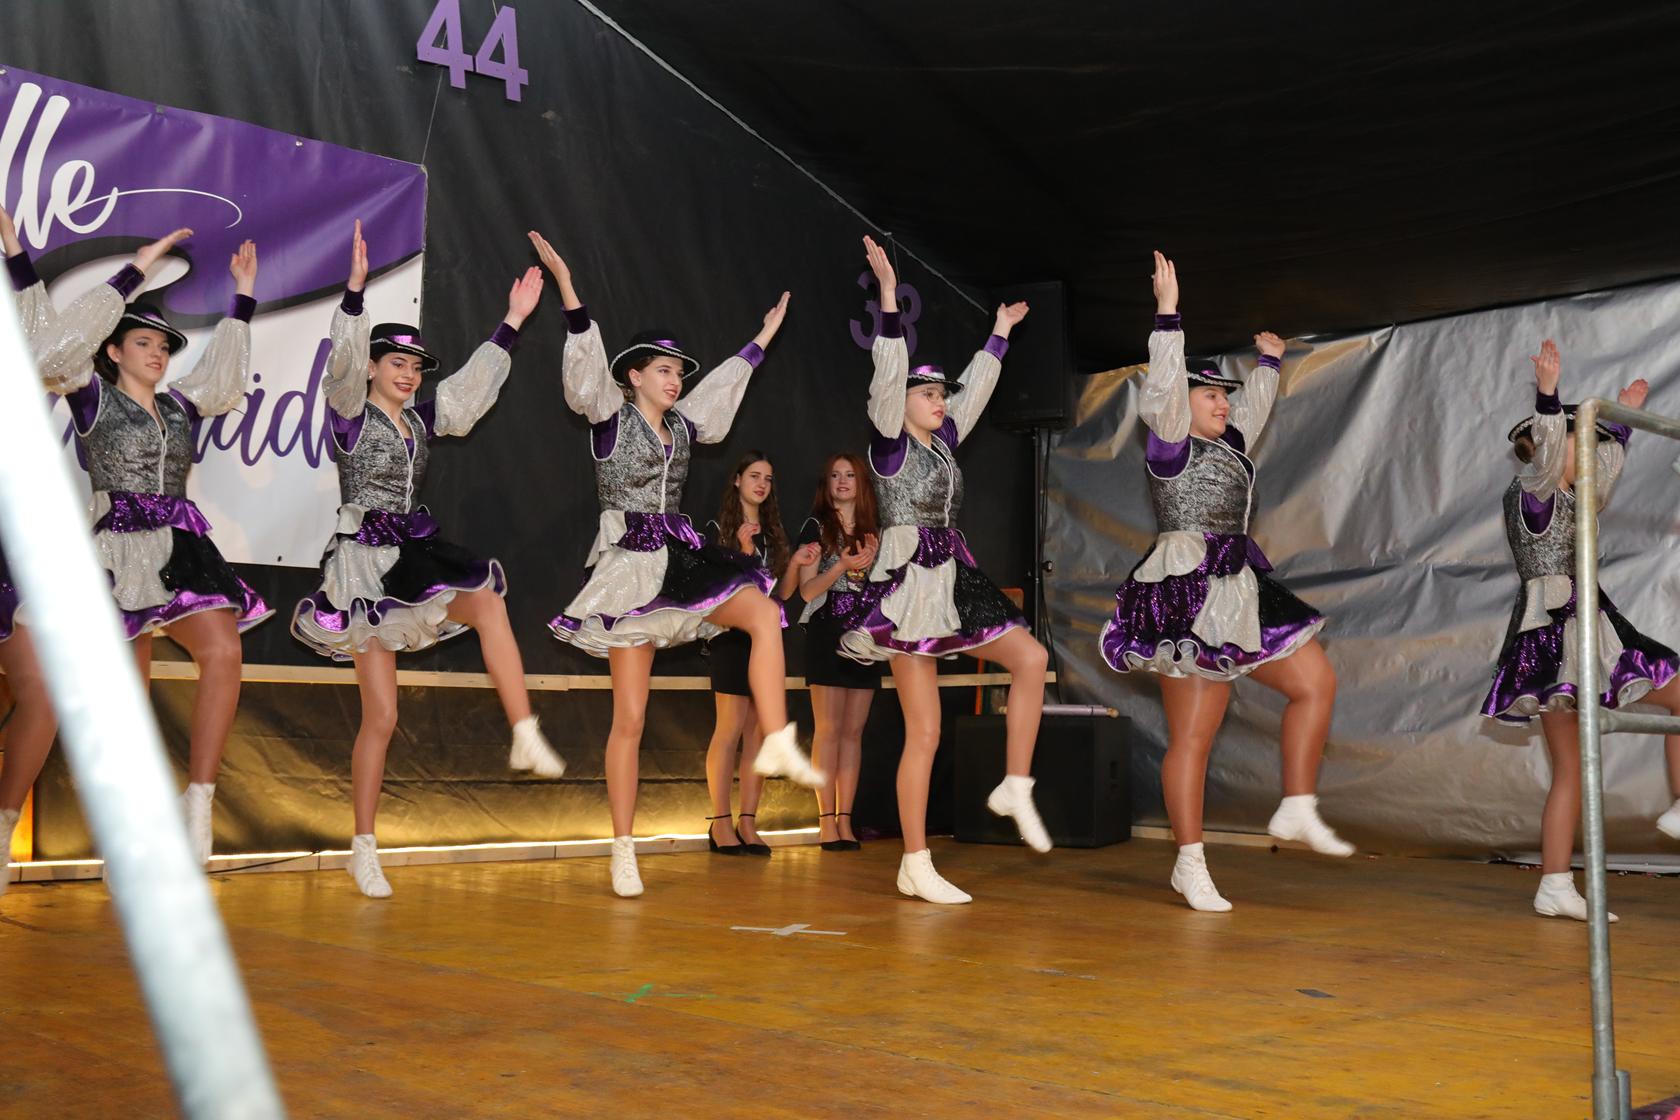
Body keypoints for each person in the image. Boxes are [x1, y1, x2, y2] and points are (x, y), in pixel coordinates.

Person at [532, 229, 822, 897]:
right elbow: (584, 372)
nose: (676, 379)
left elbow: (726, 381)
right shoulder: (610, 419)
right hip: (630, 573)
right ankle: (623, 846)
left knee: (765, 614)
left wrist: (764, 335)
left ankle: (777, 736)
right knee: (630, 719)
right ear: (633, 376)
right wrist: (569, 290)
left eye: (678, 372)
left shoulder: (686, 426)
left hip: (680, 561)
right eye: (663, 370)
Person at [292, 222, 564, 898]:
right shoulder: (350, 414)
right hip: (364, 570)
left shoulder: (420, 421)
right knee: (381, 717)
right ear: (374, 368)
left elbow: (469, 391)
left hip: (412, 557)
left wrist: (512, 322)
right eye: (397, 363)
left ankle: (524, 729)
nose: (409, 374)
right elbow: (341, 364)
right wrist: (354, 296)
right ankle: (362, 847)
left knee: (488, 602)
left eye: (415, 367)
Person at [1098, 251, 1351, 913]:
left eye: (1223, 395)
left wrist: (1268, 364)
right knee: (1195, 736)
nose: (1222, 401)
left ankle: (1297, 802)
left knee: (1315, 682)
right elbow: (1163, 387)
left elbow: (1254, 412)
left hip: (1238, 584)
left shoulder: (1229, 446)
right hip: (1184, 591)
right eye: (1210, 394)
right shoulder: (1169, 443)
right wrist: (1168, 314)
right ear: (1179, 405)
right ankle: (1189, 861)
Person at [35, 222, 272, 866]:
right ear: (112, 351)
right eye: (143, 342)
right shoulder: (90, 397)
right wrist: (136, 269)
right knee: (128, 703)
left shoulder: (179, 408)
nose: (158, 354)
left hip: (178, 544)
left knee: (223, 651)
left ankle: (200, 797)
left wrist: (243, 298)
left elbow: (221, 379)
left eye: (165, 346)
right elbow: (57, 351)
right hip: (114, 549)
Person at [838, 235, 1051, 905]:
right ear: (899, 401)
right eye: (927, 392)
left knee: (1031, 659)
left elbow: (977, 390)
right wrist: (889, 299)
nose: (939, 400)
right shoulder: (889, 445)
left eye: (940, 394)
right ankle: (915, 860)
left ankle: (1016, 783)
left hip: (953, 573)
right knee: (924, 731)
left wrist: (999, 333)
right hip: (908, 586)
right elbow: (888, 369)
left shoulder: (945, 443)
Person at [1483, 338, 1680, 921]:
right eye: (1580, 444)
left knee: (1572, 769)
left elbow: (1604, 468)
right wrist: (1549, 396)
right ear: (1551, 448)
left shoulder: (1574, 495)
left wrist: (1622, 418)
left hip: (1570, 628)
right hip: (1561, 631)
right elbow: (1551, 452)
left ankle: (1553, 884)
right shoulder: (1537, 491)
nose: (1589, 454)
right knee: (1574, 765)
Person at [701, 452, 818, 856]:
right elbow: (716, 592)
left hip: (767, 640)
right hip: (732, 636)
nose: (761, 484)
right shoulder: (718, 529)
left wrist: (796, 563)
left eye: (768, 478)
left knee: (757, 732)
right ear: (737, 480)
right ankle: (720, 822)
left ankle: (748, 821)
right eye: (754, 476)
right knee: (730, 727)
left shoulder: (774, 532)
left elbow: (781, 595)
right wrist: (743, 550)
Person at [791, 452, 883, 851]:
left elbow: (882, 587)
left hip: (864, 632)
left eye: (850, 475)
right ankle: (826, 819)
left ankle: (846, 818)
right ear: (826, 484)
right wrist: (841, 567)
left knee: (853, 731)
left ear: (862, 483)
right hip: (827, 626)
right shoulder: (816, 527)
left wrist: (876, 565)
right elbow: (806, 590)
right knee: (828, 729)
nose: (842, 481)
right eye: (834, 475)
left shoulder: (873, 531)